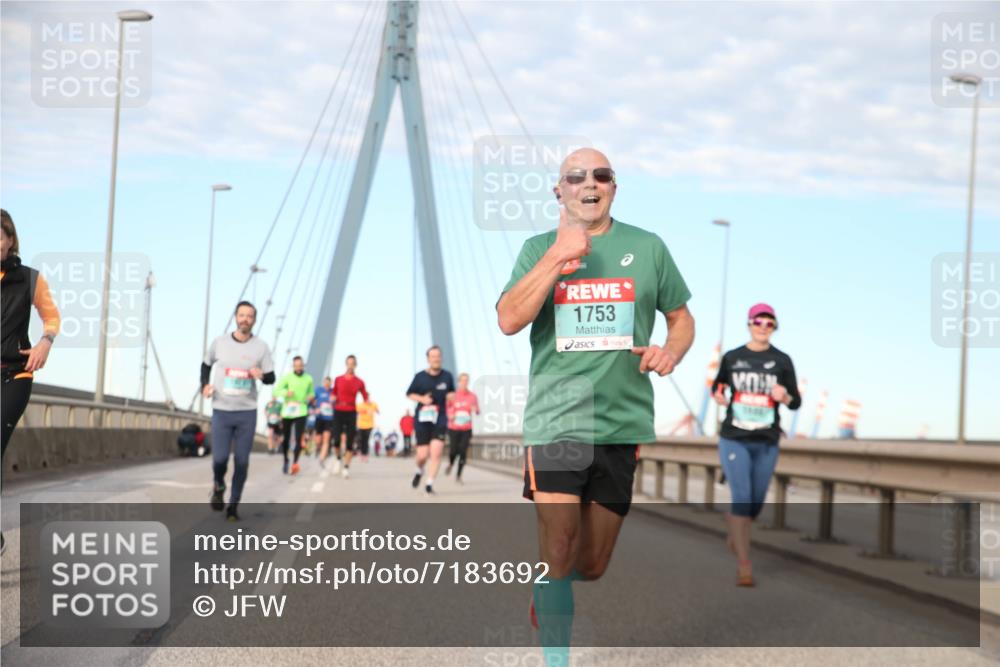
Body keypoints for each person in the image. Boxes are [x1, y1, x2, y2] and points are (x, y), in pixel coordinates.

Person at [496, 148, 694, 666]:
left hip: (620, 423)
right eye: (576, 177)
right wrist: (557, 256)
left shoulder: (647, 248)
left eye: (601, 176)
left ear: (613, 187)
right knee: (558, 546)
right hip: (556, 419)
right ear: (558, 191)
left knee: (592, 563)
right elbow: (509, 320)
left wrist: (670, 350)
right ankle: (557, 658)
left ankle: (550, 590)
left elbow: (680, 317)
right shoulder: (537, 248)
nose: (590, 183)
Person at [712, 303, 801, 587]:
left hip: (766, 440)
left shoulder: (782, 361)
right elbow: (718, 385)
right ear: (749, 324)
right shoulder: (733, 357)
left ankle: (735, 528)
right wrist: (718, 395)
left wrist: (784, 396)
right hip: (734, 437)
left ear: (774, 327)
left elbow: (796, 401)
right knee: (742, 497)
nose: (763, 327)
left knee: (755, 504)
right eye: (758, 321)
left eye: (769, 323)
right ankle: (744, 565)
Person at [1, 210, 60, 554]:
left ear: (9, 240)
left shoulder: (30, 279)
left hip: (15, 373)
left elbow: (51, 317)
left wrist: (44, 342)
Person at [201, 300, 276, 521]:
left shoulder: (261, 347)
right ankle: (218, 485)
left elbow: (271, 377)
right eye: (241, 315)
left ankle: (233, 507)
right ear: (235, 317)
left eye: (249, 316)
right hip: (222, 410)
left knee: (242, 461)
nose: (245, 319)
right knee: (220, 459)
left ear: (254, 320)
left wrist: (260, 375)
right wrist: (204, 384)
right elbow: (205, 364)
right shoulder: (220, 342)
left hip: (247, 412)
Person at [406, 345, 455, 495]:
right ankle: (419, 470)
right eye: (433, 356)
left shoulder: (447, 376)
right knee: (422, 455)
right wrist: (422, 398)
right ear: (428, 359)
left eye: (438, 356)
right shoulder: (419, 376)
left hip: (440, 418)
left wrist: (451, 399)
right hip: (422, 419)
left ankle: (429, 483)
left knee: (437, 453)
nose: (436, 359)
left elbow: (451, 393)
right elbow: (409, 394)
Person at [274, 355, 314, 476]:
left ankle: (295, 462)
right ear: (293, 366)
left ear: (303, 366)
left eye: (300, 365)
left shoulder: (308, 378)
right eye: (296, 366)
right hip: (288, 410)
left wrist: (311, 397)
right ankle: (286, 459)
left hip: (301, 410)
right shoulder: (287, 377)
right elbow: (276, 391)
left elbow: (311, 392)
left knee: (298, 438)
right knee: (285, 438)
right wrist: (286, 392)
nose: (298, 368)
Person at [330, 354, 368, 478]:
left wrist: (366, 405)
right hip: (338, 410)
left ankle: (346, 467)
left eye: (353, 363)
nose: (350, 365)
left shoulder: (359, 382)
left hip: (351, 411)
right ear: (346, 364)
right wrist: (332, 398)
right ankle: (337, 458)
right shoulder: (338, 379)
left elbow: (365, 396)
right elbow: (334, 392)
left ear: (355, 365)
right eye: (349, 363)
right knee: (336, 440)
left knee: (350, 443)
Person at [445, 372, 480, 483]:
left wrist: (476, 410)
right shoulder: (452, 395)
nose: (464, 383)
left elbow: (478, 411)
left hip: (466, 428)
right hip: (454, 427)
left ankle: (459, 475)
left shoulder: (473, 396)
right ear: (459, 382)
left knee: (463, 451)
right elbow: (447, 409)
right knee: (453, 450)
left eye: (466, 380)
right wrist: (451, 415)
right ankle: (451, 463)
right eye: (462, 380)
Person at [313, 376, 334, 466]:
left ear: (331, 383)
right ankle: (318, 448)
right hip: (319, 417)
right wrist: (315, 408)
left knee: (326, 439)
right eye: (325, 382)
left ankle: (322, 458)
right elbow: (312, 400)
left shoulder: (333, 392)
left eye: (328, 382)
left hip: (329, 418)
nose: (327, 384)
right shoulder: (318, 390)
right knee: (318, 440)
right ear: (323, 382)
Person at [356, 396, 380, 462]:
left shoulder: (373, 404)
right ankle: (360, 451)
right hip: (361, 425)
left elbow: (378, 411)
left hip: (369, 425)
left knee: (366, 440)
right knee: (360, 439)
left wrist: (376, 410)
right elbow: (356, 411)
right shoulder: (360, 405)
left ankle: (365, 455)